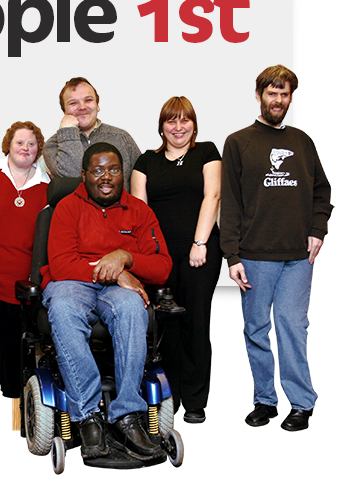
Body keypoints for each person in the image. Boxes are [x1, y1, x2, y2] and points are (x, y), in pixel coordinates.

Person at [40, 143, 172, 461]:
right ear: (84, 175)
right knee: (63, 308)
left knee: (131, 307)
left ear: (122, 173)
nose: (106, 177)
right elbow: (60, 265)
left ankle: (127, 415)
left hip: (116, 290)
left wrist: (125, 258)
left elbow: (162, 267)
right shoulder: (67, 209)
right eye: (98, 170)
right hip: (72, 283)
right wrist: (114, 272)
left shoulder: (140, 212)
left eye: (113, 169)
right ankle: (87, 417)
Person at [220, 65, 333, 432]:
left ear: (290, 97)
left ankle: (301, 403)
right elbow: (231, 202)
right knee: (255, 328)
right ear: (259, 95)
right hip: (254, 254)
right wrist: (232, 255)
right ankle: (265, 400)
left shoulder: (302, 141)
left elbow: (322, 191)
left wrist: (318, 230)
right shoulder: (238, 142)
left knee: (291, 326)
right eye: (272, 93)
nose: (278, 100)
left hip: (297, 256)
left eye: (285, 94)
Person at [131, 96, 222, 424]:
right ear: (162, 126)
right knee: (164, 327)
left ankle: (196, 401)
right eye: (172, 121)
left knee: (195, 323)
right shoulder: (145, 162)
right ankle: (171, 395)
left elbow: (212, 195)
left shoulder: (207, 152)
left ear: (194, 125)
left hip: (200, 252)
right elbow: (139, 212)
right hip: (159, 257)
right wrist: (148, 257)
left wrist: (200, 243)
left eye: (185, 120)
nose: (178, 127)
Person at [0, 121, 50, 409]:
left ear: (38, 149)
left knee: (18, 338)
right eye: (19, 142)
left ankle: (14, 389)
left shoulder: (47, 186)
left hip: (24, 278)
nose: (25, 148)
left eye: (31, 143)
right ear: (8, 145)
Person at [43, 77, 141, 191]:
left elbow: (140, 183)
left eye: (88, 100)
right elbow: (74, 176)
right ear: (64, 111)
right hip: (75, 209)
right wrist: (68, 132)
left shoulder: (122, 137)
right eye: (73, 103)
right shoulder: (53, 145)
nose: (82, 107)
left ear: (97, 105)